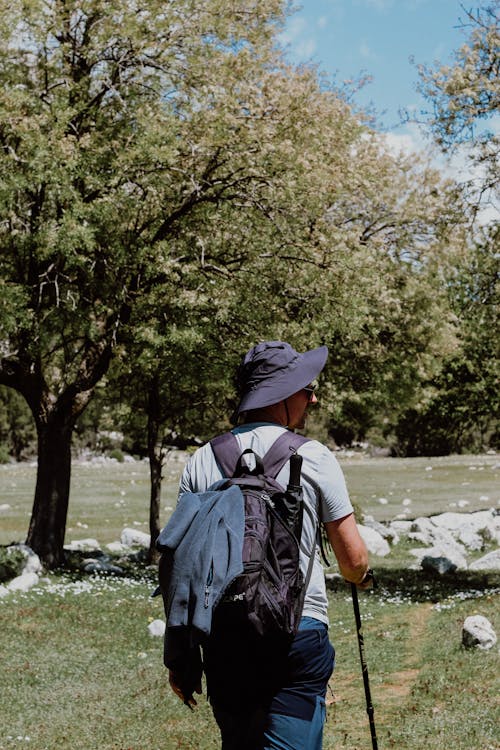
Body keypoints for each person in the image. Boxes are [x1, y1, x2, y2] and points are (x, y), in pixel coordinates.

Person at [169, 340, 371, 749]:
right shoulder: (313, 456)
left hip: (225, 637)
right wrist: (361, 576)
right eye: (306, 388)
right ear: (282, 394)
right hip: (297, 634)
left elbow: (182, 567)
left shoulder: (202, 460)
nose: (312, 398)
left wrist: (180, 657)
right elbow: (353, 562)